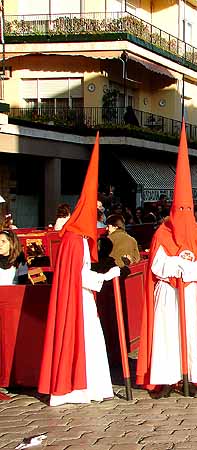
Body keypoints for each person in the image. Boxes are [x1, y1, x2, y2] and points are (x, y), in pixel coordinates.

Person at [136, 125, 197, 397]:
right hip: (168, 294)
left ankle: (192, 375)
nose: (184, 213)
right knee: (166, 335)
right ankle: (165, 376)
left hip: (192, 294)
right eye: (180, 209)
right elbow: (158, 265)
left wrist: (187, 268)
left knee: (192, 334)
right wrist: (182, 267)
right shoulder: (161, 232)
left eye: (188, 209)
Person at [38, 133, 121, 406]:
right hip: (79, 299)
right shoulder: (77, 241)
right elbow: (81, 275)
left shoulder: (74, 238)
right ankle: (80, 388)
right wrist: (107, 275)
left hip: (78, 298)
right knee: (87, 340)